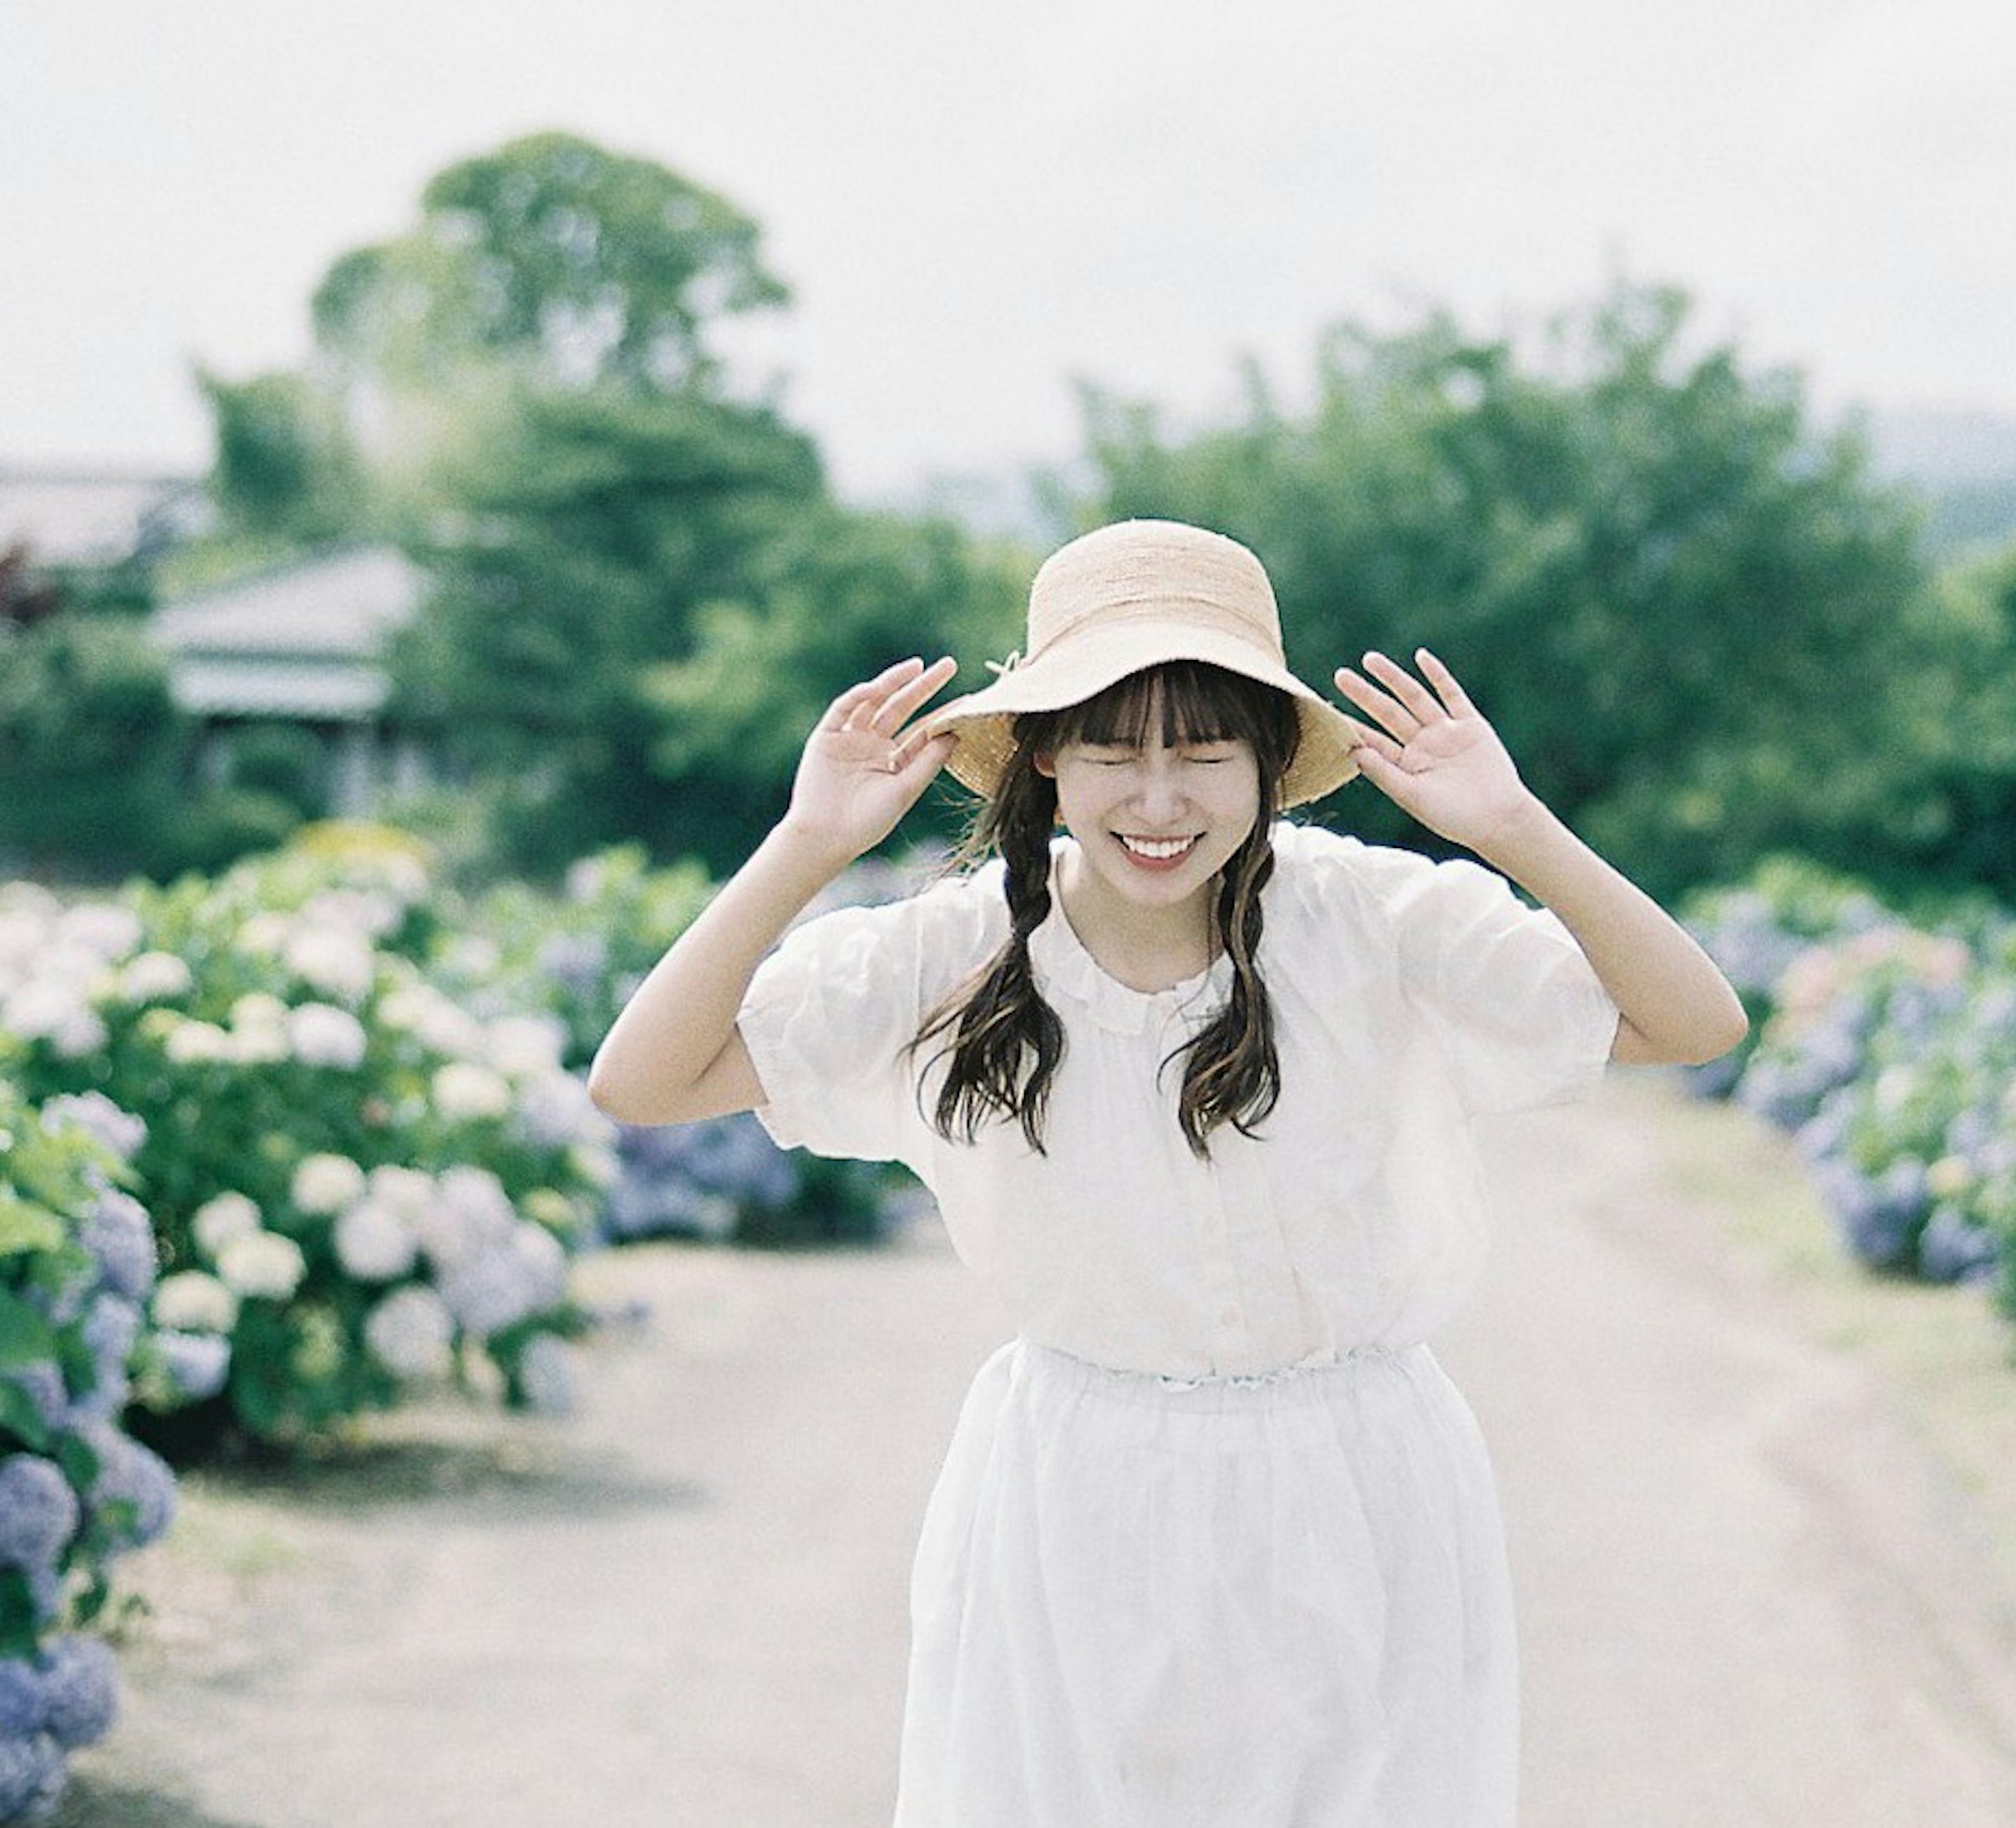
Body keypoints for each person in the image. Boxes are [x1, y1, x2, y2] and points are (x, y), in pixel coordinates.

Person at [588, 517, 1747, 1828]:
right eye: (1112, 751)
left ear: (1266, 764)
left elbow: (1691, 1023)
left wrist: (1515, 826)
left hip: (1353, 1481)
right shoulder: (955, 953)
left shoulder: (1371, 917)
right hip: (1074, 1491)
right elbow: (644, 1081)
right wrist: (807, 847)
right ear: (1041, 758)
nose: (1158, 802)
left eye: (1203, 752)